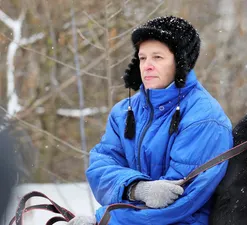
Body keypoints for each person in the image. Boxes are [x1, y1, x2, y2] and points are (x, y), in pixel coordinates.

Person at [68, 15, 233, 225]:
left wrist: (104, 219)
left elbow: (179, 202)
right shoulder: (123, 112)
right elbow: (101, 166)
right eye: (143, 57)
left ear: (181, 62)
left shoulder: (204, 118)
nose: (147, 65)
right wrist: (135, 188)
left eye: (158, 57)